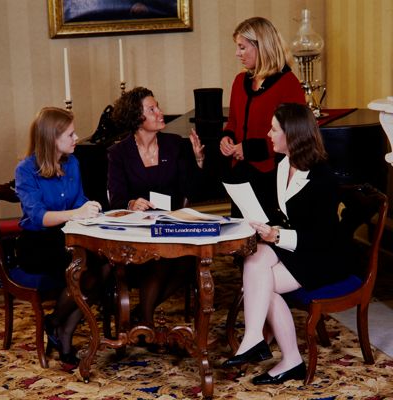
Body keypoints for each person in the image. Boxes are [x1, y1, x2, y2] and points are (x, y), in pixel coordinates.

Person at [223, 103, 353, 385]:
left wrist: (277, 236)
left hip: (323, 256)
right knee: (256, 259)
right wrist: (261, 225)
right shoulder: (283, 166)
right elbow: (282, 214)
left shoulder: (322, 178)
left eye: (274, 129)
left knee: (258, 283)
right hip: (296, 248)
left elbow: (323, 237)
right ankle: (259, 341)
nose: (269, 134)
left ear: (292, 135)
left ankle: (282, 354)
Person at [15, 107, 108, 367]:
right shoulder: (25, 169)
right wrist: (77, 213)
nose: (76, 137)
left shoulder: (73, 163)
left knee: (105, 265)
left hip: (68, 237)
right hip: (37, 242)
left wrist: (91, 208)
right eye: (70, 134)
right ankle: (61, 331)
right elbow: (38, 217)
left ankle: (57, 324)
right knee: (83, 267)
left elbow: (79, 200)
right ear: (52, 139)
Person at [107, 86, 205, 326]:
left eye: (157, 106)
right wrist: (131, 203)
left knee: (187, 261)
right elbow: (115, 201)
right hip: (136, 234)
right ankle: (146, 322)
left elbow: (192, 192)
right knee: (157, 261)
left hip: (170, 227)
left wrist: (198, 161)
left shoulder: (174, 144)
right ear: (137, 118)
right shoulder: (118, 153)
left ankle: (142, 316)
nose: (160, 112)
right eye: (152, 109)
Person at [220, 17, 305, 215]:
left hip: (272, 176)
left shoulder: (288, 83)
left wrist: (249, 149)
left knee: (265, 237)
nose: (237, 53)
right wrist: (227, 139)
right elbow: (233, 121)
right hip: (240, 175)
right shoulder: (240, 80)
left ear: (261, 46)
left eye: (242, 47)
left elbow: (295, 135)